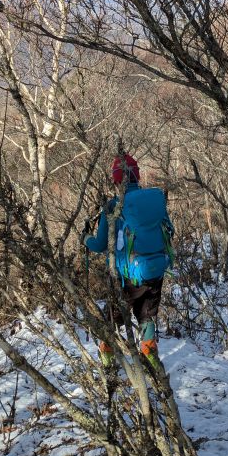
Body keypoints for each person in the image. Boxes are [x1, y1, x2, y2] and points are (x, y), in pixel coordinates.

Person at [82, 153, 173, 367]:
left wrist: (85, 238)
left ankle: (107, 361)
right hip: (156, 268)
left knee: (113, 316)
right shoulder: (154, 199)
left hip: (127, 275)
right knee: (147, 314)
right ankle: (150, 357)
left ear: (116, 179)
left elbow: (99, 245)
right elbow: (170, 230)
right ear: (137, 176)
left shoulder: (113, 206)